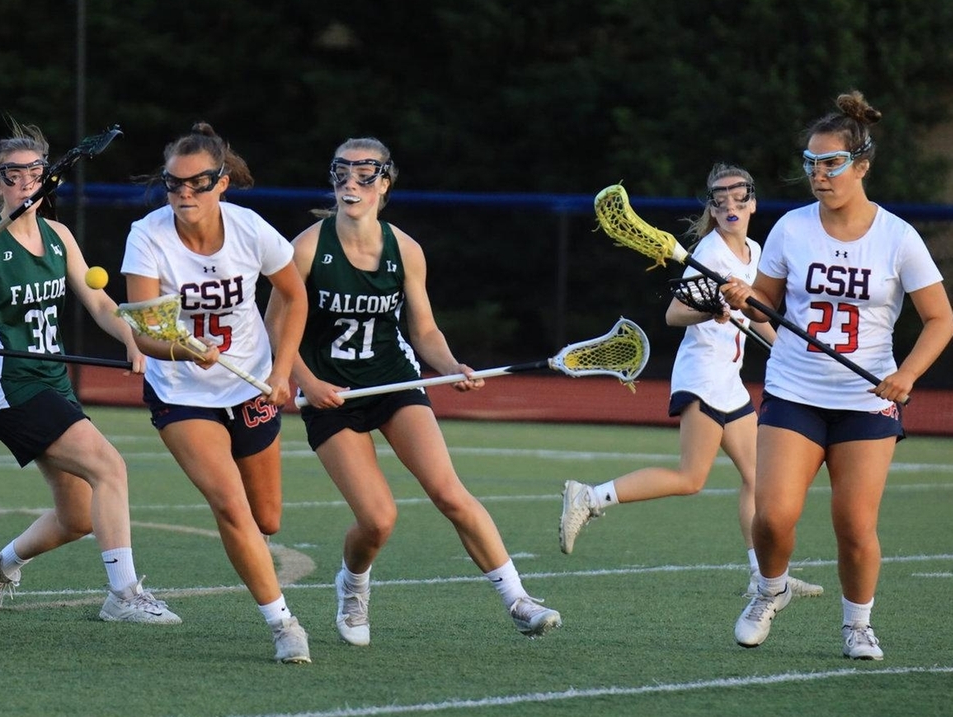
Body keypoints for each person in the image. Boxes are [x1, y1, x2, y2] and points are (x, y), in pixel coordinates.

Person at [286, 137, 561, 647]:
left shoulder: (406, 250)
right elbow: (273, 330)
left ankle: (519, 600)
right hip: (333, 396)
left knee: (450, 493)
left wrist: (451, 365)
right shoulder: (305, 249)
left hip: (394, 381)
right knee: (378, 520)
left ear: (385, 184)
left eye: (365, 174)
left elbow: (425, 330)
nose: (351, 183)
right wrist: (306, 381)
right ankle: (353, 584)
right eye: (342, 172)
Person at [0, 121, 179, 625]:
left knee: (77, 516)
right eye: (12, 175)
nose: (25, 183)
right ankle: (123, 595)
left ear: (46, 177)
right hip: (11, 386)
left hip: (53, 382)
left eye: (34, 173)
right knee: (110, 467)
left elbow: (99, 301)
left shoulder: (59, 237)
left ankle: (0, 565)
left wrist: (129, 335)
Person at [721, 91, 952, 660]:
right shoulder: (792, 229)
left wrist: (907, 375)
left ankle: (857, 625)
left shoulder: (898, 237)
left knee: (853, 525)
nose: (818, 174)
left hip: (866, 400)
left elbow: (941, 319)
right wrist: (745, 299)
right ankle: (769, 590)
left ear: (861, 166)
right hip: (794, 390)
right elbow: (766, 304)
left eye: (831, 163)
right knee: (773, 517)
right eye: (811, 163)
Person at [557, 164, 824, 599]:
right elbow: (675, 314)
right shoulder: (711, 254)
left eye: (739, 198)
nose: (731, 206)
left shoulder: (755, 251)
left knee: (759, 477)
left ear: (753, 204)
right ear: (713, 211)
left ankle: (764, 578)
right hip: (703, 376)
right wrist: (710, 309)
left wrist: (786, 353)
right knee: (690, 478)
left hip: (729, 381)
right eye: (721, 201)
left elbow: (756, 313)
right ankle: (590, 497)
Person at [121, 122, 310, 663]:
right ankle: (283, 624)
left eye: (197, 183)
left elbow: (294, 296)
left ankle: (255, 553)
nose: (184, 194)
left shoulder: (250, 229)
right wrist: (183, 350)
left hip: (248, 383)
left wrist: (282, 372)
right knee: (230, 504)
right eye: (173, 184)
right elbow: (143, 334)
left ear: (221, 182)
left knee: (266, 518)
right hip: (182, 393)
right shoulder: (147, 236)